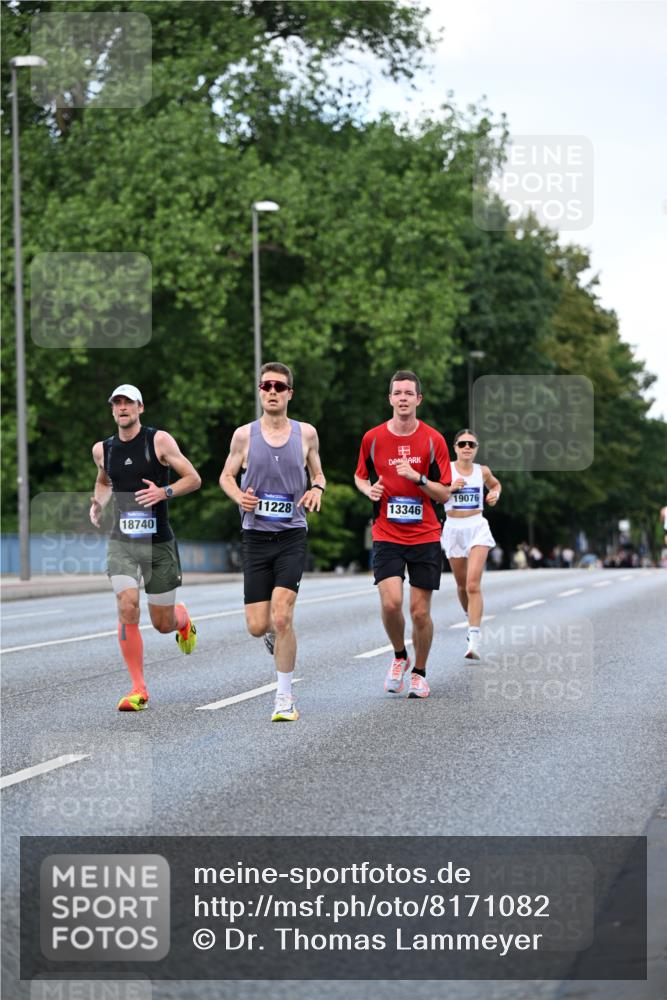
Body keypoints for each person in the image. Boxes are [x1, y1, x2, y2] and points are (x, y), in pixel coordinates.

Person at [219, 362, 325, 722]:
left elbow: (319, 472)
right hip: (255, 537)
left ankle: (284, 698)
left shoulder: (306, 434)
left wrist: (317, 489)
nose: (273, 392)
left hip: (292, 535)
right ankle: (272, 636)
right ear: (260, 392)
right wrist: (239, 498)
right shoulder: (244, 436)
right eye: (267, 386)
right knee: (257, 624)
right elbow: (226, 476)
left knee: (282, 616)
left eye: (280, 386)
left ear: (290, 393)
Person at [90, 384, 201, 711]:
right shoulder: (103, 450)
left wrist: (163, 492)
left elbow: (193, 479)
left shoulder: (159, 441)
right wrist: (98, 503)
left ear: (140, 408)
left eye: (128, 403)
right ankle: (138, 688)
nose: (123, 408)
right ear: (112, 410)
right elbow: (103, 480)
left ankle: (181, 620)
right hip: (122, 542)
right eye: (117, 403)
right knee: (127, 605)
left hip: (158, 542)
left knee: (161, 623)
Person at [354, 370, 451, 699]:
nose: (404, 398)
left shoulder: (432, 440)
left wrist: (419, 478)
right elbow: (359, 476)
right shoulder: (373, 438)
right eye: (398, 393)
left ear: (418, 400)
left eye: (410, 393)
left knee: (420, 612)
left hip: (425, 533)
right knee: (392, 603)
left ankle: (420, 673)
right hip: (386, 531)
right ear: (390, 399)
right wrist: (368, 489)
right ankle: (399, 655)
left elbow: (445, 493)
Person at [441, 429, 501, 661]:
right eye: (462, 444)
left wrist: (495, 494)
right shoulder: (445, 468)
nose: (467, 447)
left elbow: (495, 485)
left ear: (476, 449)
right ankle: (470, 615)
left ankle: (473, 637)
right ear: (455, 447)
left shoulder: (482, 471)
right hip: (453, 528)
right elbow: (433, 493)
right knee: (461, 585)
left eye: (471, 444)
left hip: (477, 526)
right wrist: (449, 489)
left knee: (473, 584)